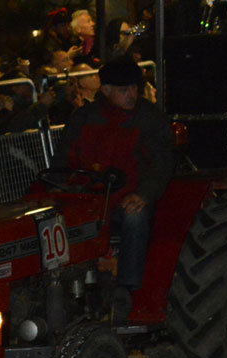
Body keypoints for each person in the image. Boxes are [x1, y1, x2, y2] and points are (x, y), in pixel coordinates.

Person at [50, 54, 173, 324]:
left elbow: (162, 164)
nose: (132, 94)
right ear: (105, 91)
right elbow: (64, 162)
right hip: (89, 197)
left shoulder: (150, 119)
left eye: (135, 88)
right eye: (124, 89)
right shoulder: (83, 119)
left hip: (127, 196)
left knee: (135, 216)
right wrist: (69, 189)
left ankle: (127, 288)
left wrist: (144, 194)